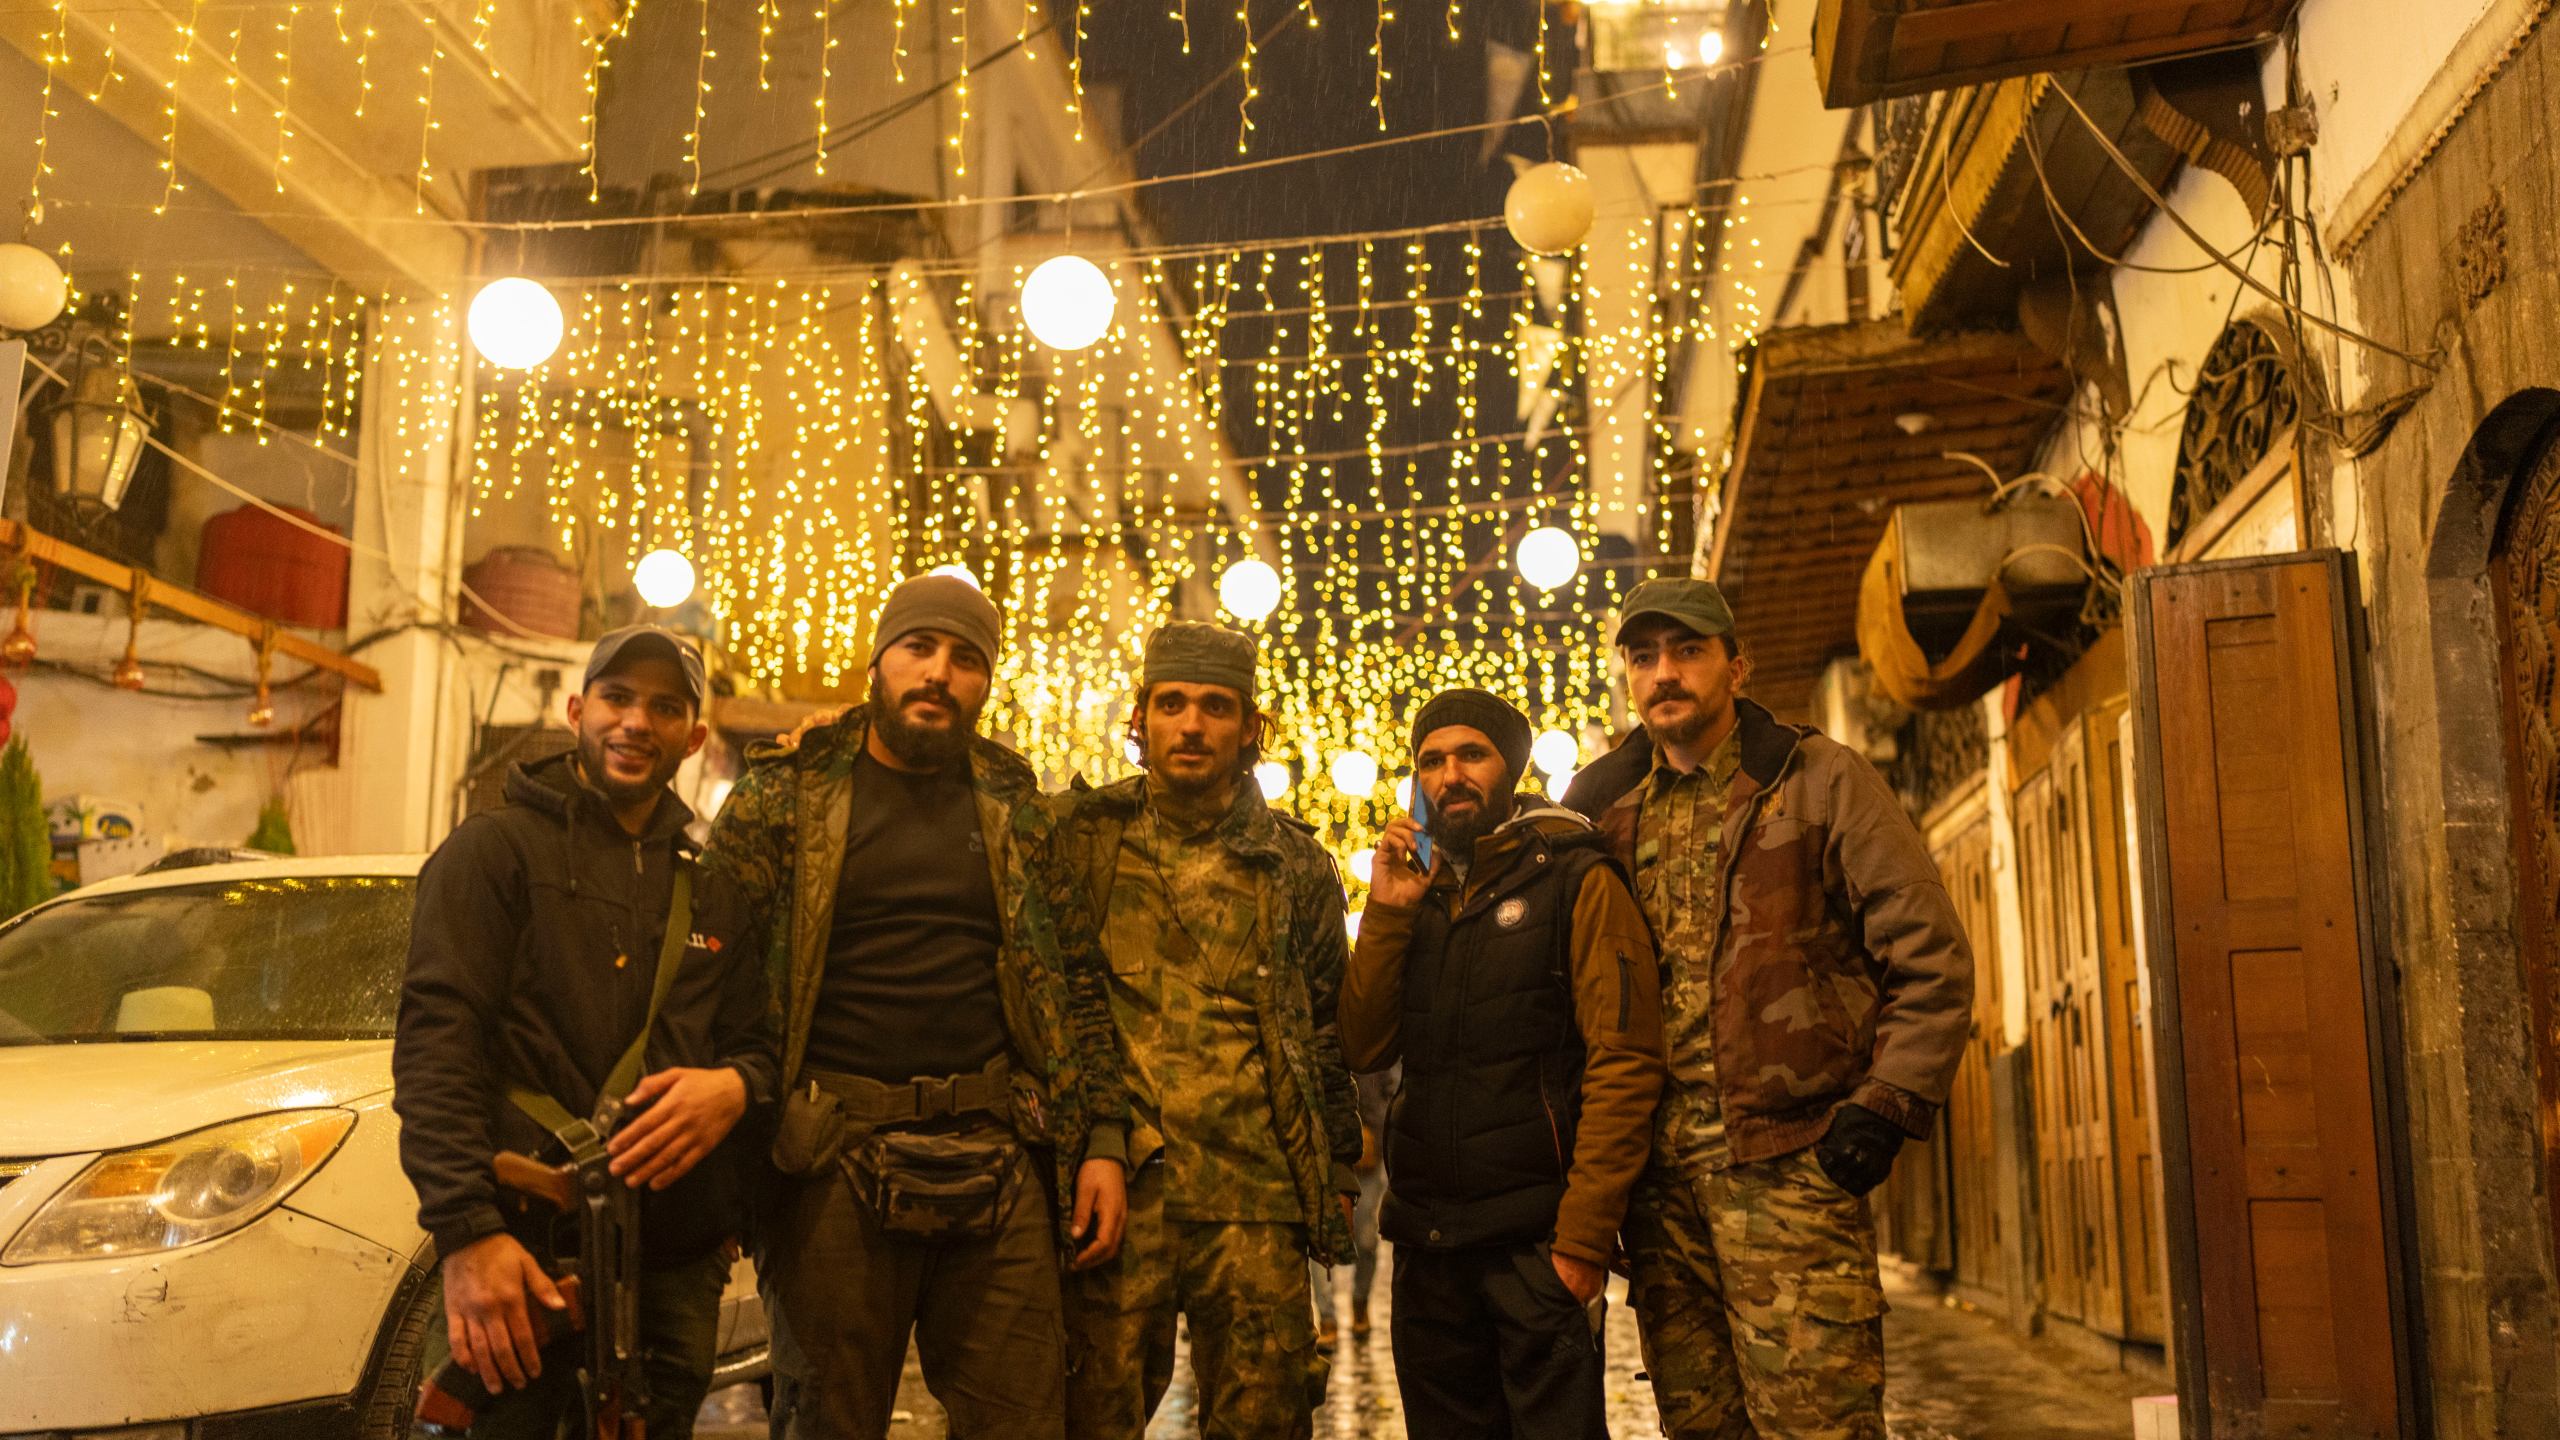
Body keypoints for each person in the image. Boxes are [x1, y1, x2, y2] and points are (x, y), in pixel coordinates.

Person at [702, 575, 1126, 1440]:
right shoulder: (784, 796)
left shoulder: (1016, 806)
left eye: (965, 658)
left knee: (1026, 1425)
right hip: (830, 1162)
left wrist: (1104, 1143)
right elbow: (716, 979)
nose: (938, 673)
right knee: (826, 1422)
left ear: (985, 681)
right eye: (919, 649)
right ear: (878, 662)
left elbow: (1076, 980)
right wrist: (726, 1179)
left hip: (1000, 1154)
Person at [1559, 579, 1974, 1440]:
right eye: (1643, 658)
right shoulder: (1602, 810)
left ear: (1735, 666)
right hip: (1660, 1193)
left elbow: (1929, 954)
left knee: (1820, 1425)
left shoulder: (1817, 779)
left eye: (1687, 652)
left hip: (1792, 1170)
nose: (1664, 674)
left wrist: (1886, 1107)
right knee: (1701, 1426)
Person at [395, 624, 779, 1440]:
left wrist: (736, 1086)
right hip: (517, 1257)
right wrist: (468, 1234)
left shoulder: (713, 893)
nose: (637, 722)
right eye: (617, 697)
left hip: (672, 1273)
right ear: (577, 709)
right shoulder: (490, 855)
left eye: (665, 707)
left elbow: (761, 1047)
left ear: (695, 737)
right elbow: (437, 1051)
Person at [1022, 621, 1363, 1439]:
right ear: (1140, 717)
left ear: (1251, 728)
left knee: (1266, 1421)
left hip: (1258, 1204)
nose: (1192, 725)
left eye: (1216, 706)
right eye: (1171, 703)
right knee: (1090, 1417)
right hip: (1115, 1197)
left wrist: (1338, 1174)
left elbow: (1322, 1033)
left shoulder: (1294, 866)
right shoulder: (1078, 839)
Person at [1341, 687, 1667, 1439]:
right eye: (1431, 760)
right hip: (1428, 1251)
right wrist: (1387, 910)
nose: (1449, 775)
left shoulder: (1576, 878)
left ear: (1511, 769)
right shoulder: (1413, 897)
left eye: (1471, 755)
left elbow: (1626, 1061)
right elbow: (1362, 1046)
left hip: (1535, 1247)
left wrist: (1582, 1244)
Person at [1309, 1065, 1392, 1352]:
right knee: (1321, 1237)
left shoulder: (1371, 1039)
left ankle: (1360, 1303)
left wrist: (1374, 1129)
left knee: (1367, 1237)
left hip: (1372, 1149)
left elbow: (1390, 1087)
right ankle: (1328, 1318)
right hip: (1323, 1150)